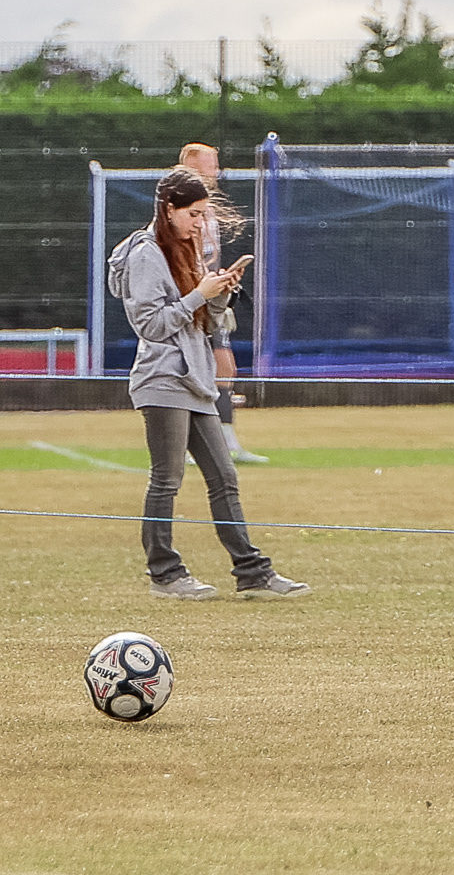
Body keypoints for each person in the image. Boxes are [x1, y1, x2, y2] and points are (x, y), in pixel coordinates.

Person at [107, 166, 309, 601]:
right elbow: (151, 326)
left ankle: (252, 572)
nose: (200, 224)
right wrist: (201, 293)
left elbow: (203, 322)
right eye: (194, 214)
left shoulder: (186, 249)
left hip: (196, 379)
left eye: (204, 214)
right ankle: (165, 574)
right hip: (163, 378)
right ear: (169, 209)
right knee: (167, 479)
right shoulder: (146, 254)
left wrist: (220, 294)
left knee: (224, 475)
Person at [177, 142, 268, 465]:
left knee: (224, 367)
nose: (217, 172)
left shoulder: (208, 208)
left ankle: (227, 442)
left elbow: (207, 256)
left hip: (209, 297)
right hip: (189, 301)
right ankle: (188, 444)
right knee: (196, 369)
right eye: (211, 165)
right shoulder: (178, 208)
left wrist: (222, 281)